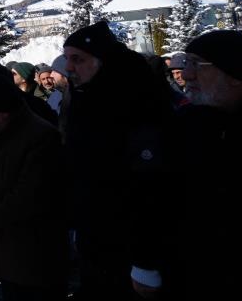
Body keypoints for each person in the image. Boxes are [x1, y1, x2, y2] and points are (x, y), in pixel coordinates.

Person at [167, 30, 242, 301]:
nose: (186, 74)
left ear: (234, 74)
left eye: (196, 64)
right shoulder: (186, 126)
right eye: (186, 64)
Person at [62, 21, 172, 301]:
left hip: (129, 250)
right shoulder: (82, 101)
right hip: (95, 241)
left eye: (77, 59)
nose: (69, 68)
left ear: (102, 62)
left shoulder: (138, 105)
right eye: (67, 60)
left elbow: (151, 188)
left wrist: (145, 261)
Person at [0, 65, 68, 301]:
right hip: (0, 249)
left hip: (34, 252)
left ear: (3, 111)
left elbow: (30, 192)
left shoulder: (41, 136)